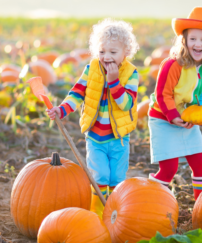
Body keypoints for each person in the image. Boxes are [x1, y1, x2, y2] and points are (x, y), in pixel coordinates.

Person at [46, 18, 139, 218]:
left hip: (119, 139)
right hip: (95, 137)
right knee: (99, 176)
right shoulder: (92, 69)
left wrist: (114, 82)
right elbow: (77, 93)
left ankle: (115, 215)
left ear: (125, 53)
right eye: (102, 51)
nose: (106, 57)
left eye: (113, 52)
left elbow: (127, 104)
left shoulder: (131, 74)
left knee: (116, 178)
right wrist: (61, 110)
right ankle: (97, 215)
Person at [147, 7, 202, 200]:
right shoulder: (173, 65)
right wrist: (173, 117)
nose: (197, 44)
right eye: (193, 39)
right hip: (163, 118)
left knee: (201, 162)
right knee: (169, 168)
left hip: (187, 118)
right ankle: (150, 198)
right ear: (184, 40)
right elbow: (163, 94)